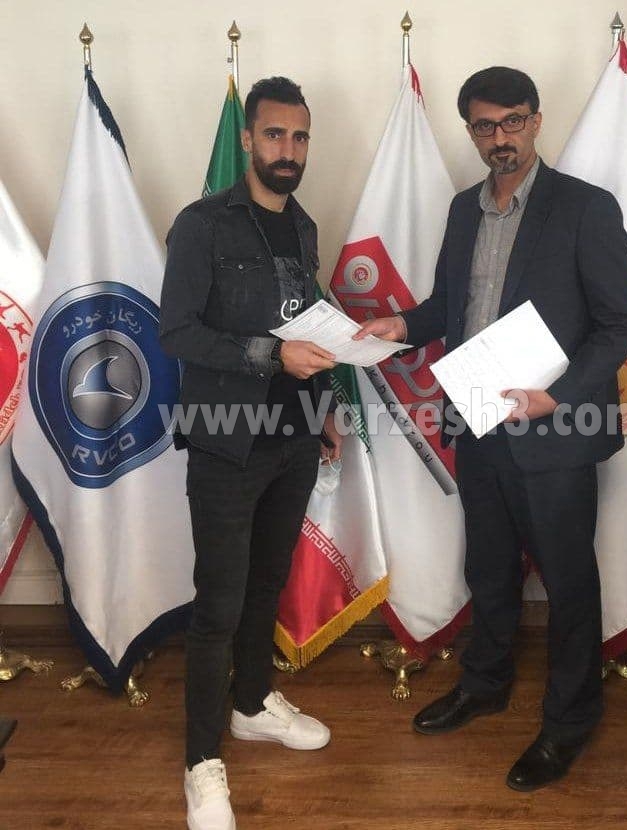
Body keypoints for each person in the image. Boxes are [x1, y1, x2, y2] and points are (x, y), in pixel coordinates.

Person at [356, 66, 627, 791]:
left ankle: (569, 720)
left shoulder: (585, 208)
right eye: (485, 126)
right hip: (477, 418)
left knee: (568, 580)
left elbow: (620, 325)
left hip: (555, 430)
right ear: (472, 132)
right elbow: (449, 306)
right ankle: (485, 684)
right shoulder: (463, 210)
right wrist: (402, 325)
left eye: (513, 121)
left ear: (536, 121)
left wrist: (558, 396)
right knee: (487, 566)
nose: (500, 138)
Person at [160, 76, 342, 830]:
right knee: (219, 604)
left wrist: (324, 408)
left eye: (299, 137)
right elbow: (177, 332)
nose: (288, 150)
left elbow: (312, 326)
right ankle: (201, 761)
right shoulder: (202, 224)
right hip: (226, 443)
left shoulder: (304, 226)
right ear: (247, 139)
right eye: (274, 135)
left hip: (295, 440)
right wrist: (271, 356)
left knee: (266, 585)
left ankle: (252, 704)